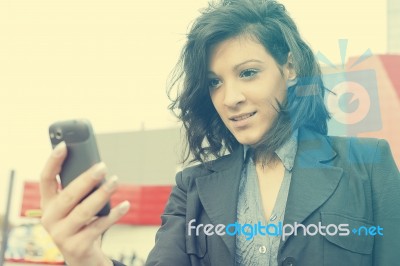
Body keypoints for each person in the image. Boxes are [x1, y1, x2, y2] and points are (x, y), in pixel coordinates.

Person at [39, 0, 400, 265]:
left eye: (248, 73)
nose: (230, 99)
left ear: (289, 68)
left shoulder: (368, 167)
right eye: (214, 82)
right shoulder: (192, 189)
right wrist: (86, 256)